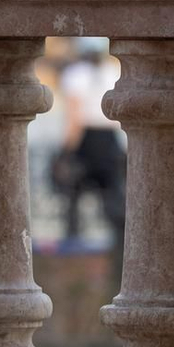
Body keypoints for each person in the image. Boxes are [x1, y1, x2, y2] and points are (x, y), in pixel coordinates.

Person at [56, 38, 125, 253]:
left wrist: (65, 152)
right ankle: (119, 251)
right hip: (111, 141)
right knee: (114, 199)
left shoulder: (75, 74)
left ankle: (72, 249)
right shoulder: (114, 71)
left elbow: (74, 119)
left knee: (72, 196)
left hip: (87, 141)